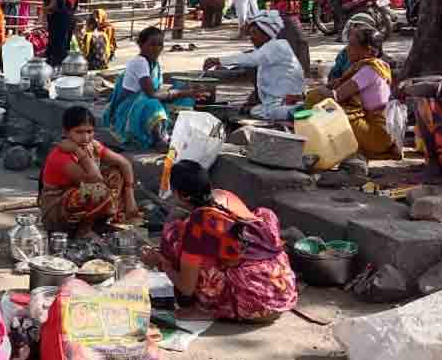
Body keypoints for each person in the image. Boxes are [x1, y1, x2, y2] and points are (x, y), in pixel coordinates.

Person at [142, 160, 297, 321]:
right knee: (198, 243)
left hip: (256, 304)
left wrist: (162, 263)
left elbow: (187, 288)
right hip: (282, 290)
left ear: (178, 194)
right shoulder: (224, 195)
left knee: (174, 238)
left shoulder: (198, 224)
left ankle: (205, 309)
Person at [41, 106, 140, 237]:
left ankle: (100, 220)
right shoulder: (61, 156)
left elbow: (124, 163)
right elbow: (95, 181)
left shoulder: (92, 145)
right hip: (57, 212)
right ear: (66, 132)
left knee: (115, 173)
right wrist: (78, 152)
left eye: (89, 131)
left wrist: (130, 198)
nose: (86, 137)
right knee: (99, 191)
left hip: (83, 199)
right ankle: (82, 229)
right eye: (79, 132)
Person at [308, 26, 399, 160]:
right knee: (321, 101)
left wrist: (311, 94)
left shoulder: (369, 70)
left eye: (352, 45)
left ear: (368, 51)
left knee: (316, 98)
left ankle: (320, 145)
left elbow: (336, 96)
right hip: (380, 132)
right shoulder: (371, 66)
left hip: (377, 134)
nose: (347, 49)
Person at [103, 27, 202, 150]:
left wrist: (187, 91)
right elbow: (152, 93)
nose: (157, 48)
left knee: (182, 89)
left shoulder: (153, 64)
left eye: (160, 45)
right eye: (152, 44)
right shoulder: (139, 62)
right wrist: (183, 93)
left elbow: (159, 91)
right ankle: (157, 139)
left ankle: (174, 130)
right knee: (152, 102)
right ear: (141, 45)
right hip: (128, 109)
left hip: (141, 103)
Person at [203, 10, 304, 121]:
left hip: (286, 99)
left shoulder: (276, 46)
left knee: (264, 112)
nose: (251, 37)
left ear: (266, 33)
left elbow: (251, 59)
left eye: (254, 33)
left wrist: (219, 60)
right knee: (256, 110)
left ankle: (295, 111)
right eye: (250, 33)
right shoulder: (268, 49)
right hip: (276, 101)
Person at [326, 12, 378, 82]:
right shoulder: (344, 54)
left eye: (357, 26)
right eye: (352, 26)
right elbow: (334, 75)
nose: (352, 29)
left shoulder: (373, 65)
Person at [46, 0, 78, 67]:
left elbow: (56, 3)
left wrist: (47, 9)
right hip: (70, 18)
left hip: (58, 20)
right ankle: (64, 68)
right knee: (65, 46)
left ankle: (55, 68)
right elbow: (75, 2)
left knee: (57, 48)